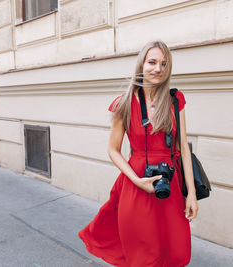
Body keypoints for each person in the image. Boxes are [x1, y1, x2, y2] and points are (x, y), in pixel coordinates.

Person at [78, 40, 198, 267]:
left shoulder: (175, 100)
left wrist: (191, 193)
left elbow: (182, 148)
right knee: (144, 253)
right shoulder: (123, 104)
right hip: (136, 183)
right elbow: (113, 150)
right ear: (141, 65)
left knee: (176, 251)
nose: (158, 69)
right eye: (152, 62)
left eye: (164, 64)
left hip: (171, 183)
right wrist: (136, 181)